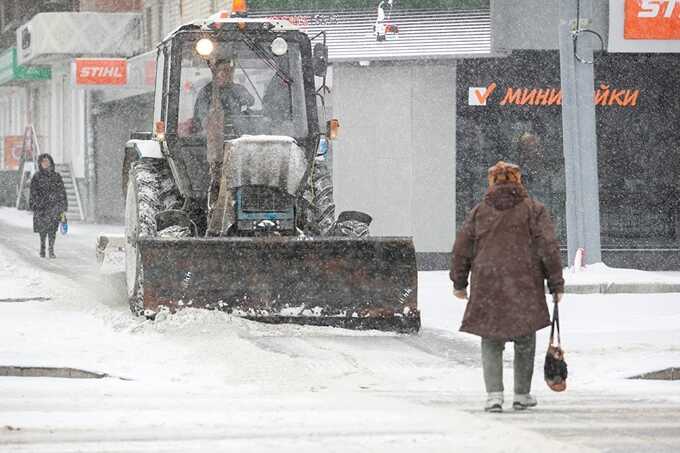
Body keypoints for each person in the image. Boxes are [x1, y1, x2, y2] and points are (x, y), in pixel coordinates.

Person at [450, 161, 564, 413]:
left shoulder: (479, 212)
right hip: (524, 280)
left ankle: (494, 396)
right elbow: (549, 248)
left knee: (491, 339)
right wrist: (556, 284)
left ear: (491, 182)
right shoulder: (534, 210)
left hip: (487, 281)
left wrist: (459, 282)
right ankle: (521, 394)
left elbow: (461, 248)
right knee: (525, 337)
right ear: (518, 181)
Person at [192, 58, 254, 236]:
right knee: (217, 180)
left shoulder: (237, 90)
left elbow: (249, 100)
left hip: (240, 143)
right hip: (213, 147)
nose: (227, 74)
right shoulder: (207, 93)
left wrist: (244, 100)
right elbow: (204, 119)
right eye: (223, 70)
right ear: (215, 72)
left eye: (230, 71)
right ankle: (215, 219)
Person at [29, 153, 68, 259]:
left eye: (47, 161)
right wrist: (35, 203)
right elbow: (33, 192)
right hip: (42, 207)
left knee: (52, 229)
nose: (45, 163)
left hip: (53, 207)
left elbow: (62, 192)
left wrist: (62, 206)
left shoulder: (56, 176)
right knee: (42, 230)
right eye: (43, 162)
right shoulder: (37, 177)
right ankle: (42, 247)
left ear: (51, 162)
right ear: (40, 164)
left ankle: (51, 249)